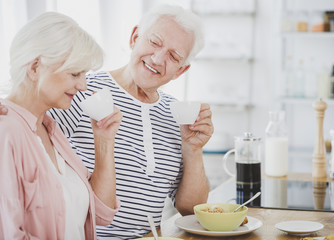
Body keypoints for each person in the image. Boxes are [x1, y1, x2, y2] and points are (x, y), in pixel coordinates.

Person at [0, 5, 214, 239]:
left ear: (181, 70)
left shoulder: (177, 115)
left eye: (174, 56)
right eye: (154, 42)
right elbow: (27, 111)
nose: (158, 58)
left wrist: (193, 149)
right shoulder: (82, 92)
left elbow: (190, 209)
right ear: (135, 37)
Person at [0, 12, 122, 239]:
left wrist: (104, 140)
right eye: (75, 73)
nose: (84, 86)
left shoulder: (50, 130)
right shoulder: (6, 131)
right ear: (35, 67)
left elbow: (101, 213)